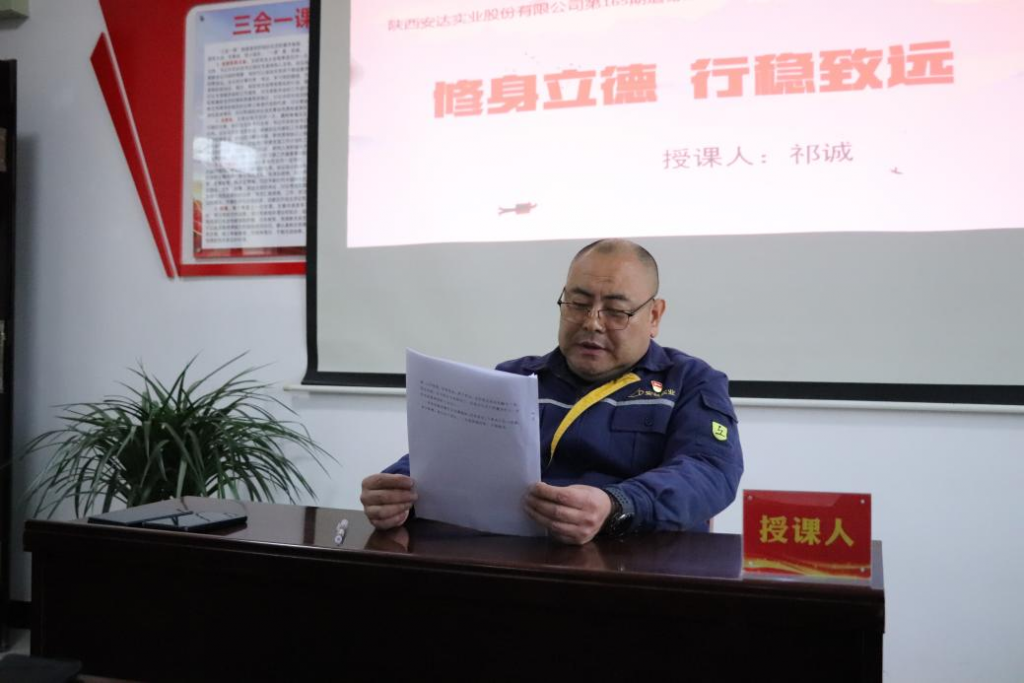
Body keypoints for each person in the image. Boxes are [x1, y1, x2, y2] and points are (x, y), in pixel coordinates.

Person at [361, 239, 743, 545]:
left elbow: (709, 471)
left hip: (634, 569)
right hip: (514, 565)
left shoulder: (689, 382)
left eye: (615, 311)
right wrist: (396, 490)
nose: (592, 323)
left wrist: (615, 505)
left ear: (654, 316)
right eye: (578, 304)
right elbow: (447, 458)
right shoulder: (515, 378)